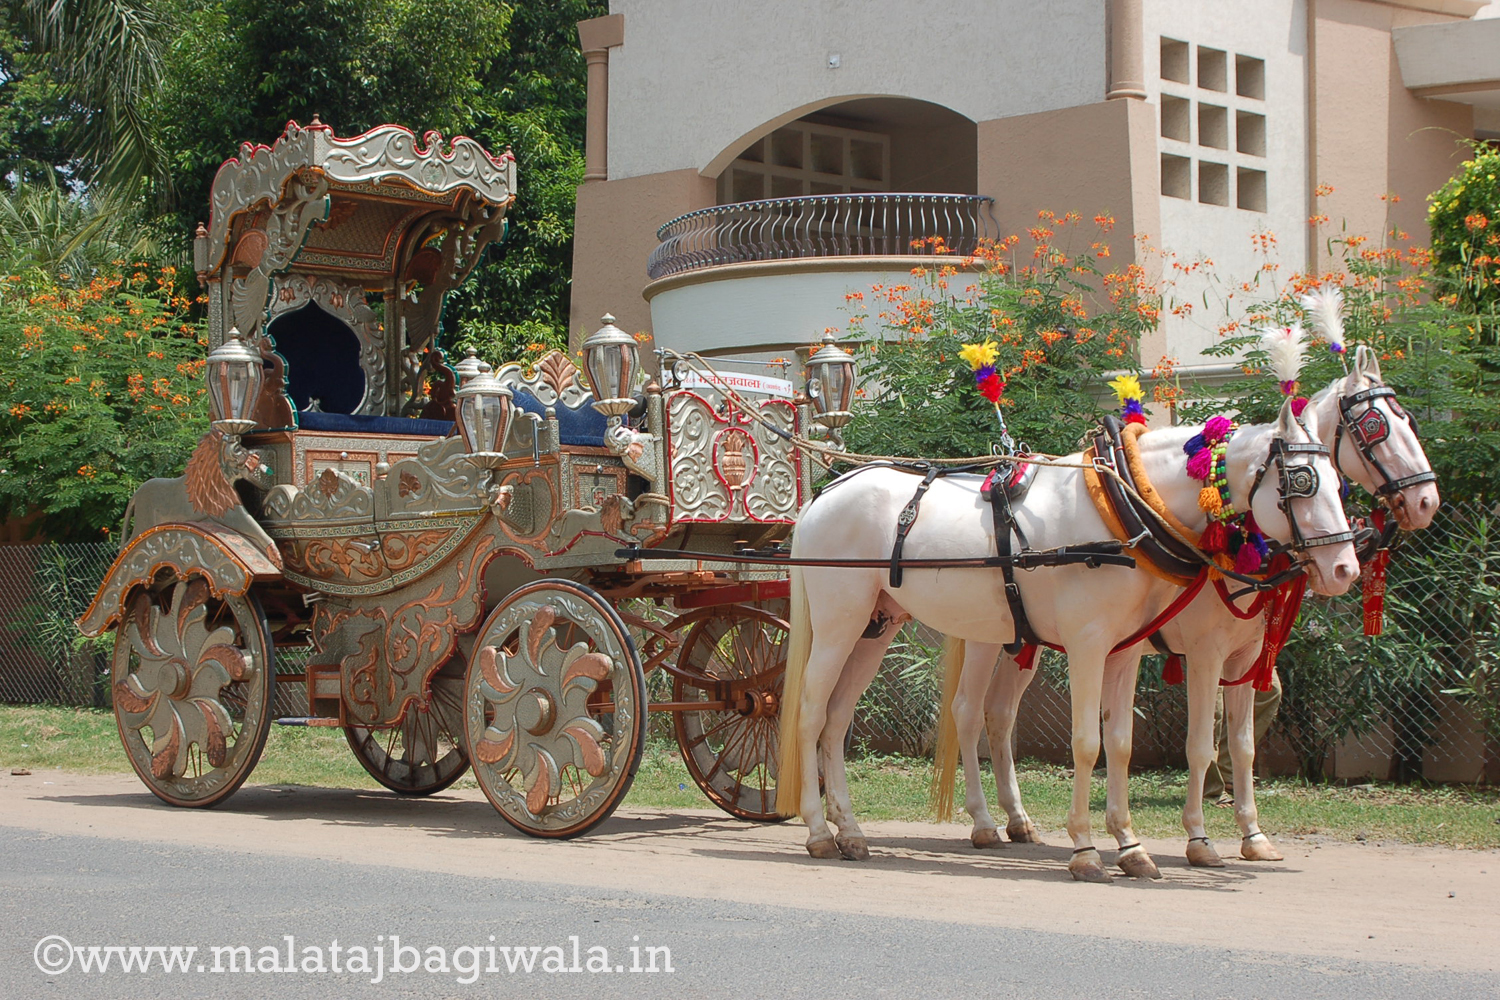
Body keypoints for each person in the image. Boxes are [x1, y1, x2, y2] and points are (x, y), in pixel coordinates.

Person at [1202, 668, 1282, 803]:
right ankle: (1211, 790)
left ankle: (1226, 771)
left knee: (1269, 689)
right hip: (1209, 649)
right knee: (1214, 710)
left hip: (1245, 647)